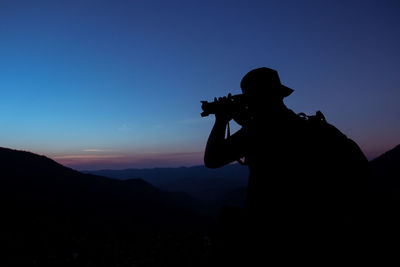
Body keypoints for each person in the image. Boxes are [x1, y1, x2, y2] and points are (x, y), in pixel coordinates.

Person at [204, 67, 374, 263]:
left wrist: (221, 119)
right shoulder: (311, 127)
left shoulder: (259, 131)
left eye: (249, 100)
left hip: (274, 236)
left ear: (255, 100)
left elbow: (212, 159)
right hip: (321, 232)